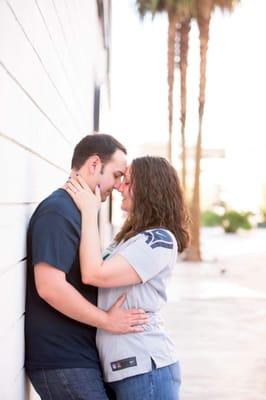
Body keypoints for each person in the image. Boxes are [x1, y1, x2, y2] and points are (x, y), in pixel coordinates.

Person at [25, 134, 148, 400]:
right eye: (116, 175)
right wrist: (107, 321)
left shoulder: (80, 211)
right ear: (94, 165)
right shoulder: (58, 211)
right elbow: (49, 286)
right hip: (62, 360)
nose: (118, 186)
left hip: (79, 357)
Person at [66, 155, 191, 400]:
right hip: (125, 369)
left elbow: (94, 273)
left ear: (148, 189)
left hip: (146, 368)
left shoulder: (160, 241)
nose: (120, 187)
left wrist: (90, 213)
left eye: (128, 181)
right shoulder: (129, 238)